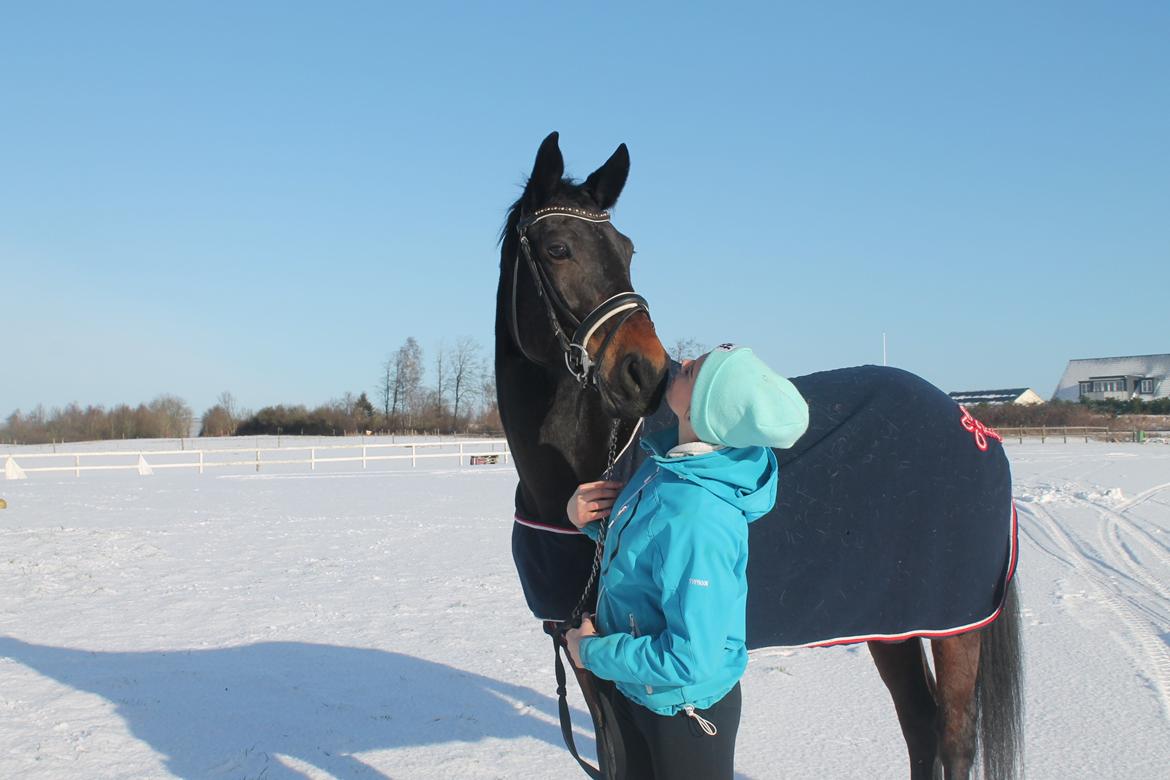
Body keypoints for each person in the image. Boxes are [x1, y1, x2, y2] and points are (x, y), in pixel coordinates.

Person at [564, 344, 809, 779]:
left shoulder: (700, 517)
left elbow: (690, 659)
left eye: (696, 370)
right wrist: (585, 522)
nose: (684, 362)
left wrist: (592, 652)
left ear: (705, 412)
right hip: (642, 691)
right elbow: (646, 551)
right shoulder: (669, 468)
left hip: (682, 714)